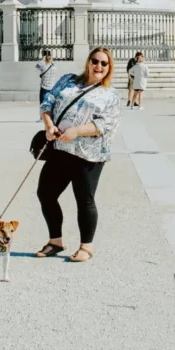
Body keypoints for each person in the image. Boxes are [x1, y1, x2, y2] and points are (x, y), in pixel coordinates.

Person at [35, 46, 121, 263]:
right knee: (45, 193)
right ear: (88, 62)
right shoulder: (68, 80)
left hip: (88, 155)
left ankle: (86, 247)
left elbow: (106, 125)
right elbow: (48, 102)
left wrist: (77, 131)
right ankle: (56, 241)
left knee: (84, 200)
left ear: (109, 67)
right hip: (61, 149)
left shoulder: (109, 95)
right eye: (95, 61)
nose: (98, 66)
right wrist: (48, 125)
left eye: (104, 63)